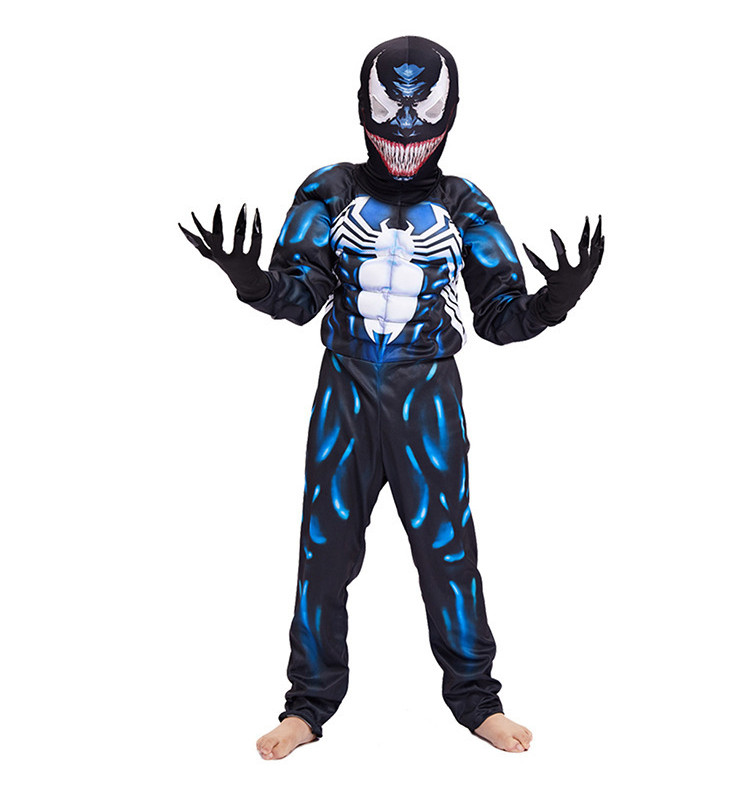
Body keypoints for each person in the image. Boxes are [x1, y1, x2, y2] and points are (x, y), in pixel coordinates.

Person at [179, 35, 604, 760]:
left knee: (448, 550)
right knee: (324, 551)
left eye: (423, 109)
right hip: (344, 392)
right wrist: (253, 282)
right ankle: (307, 706)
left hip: (427, 396)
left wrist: (552, 303)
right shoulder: (328, 189)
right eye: (391, 106)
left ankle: (476, 700)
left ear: (450, 112)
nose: (405, 127)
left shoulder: (464, 203)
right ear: (364, 107)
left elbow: (500, 317)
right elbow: (299, 297)